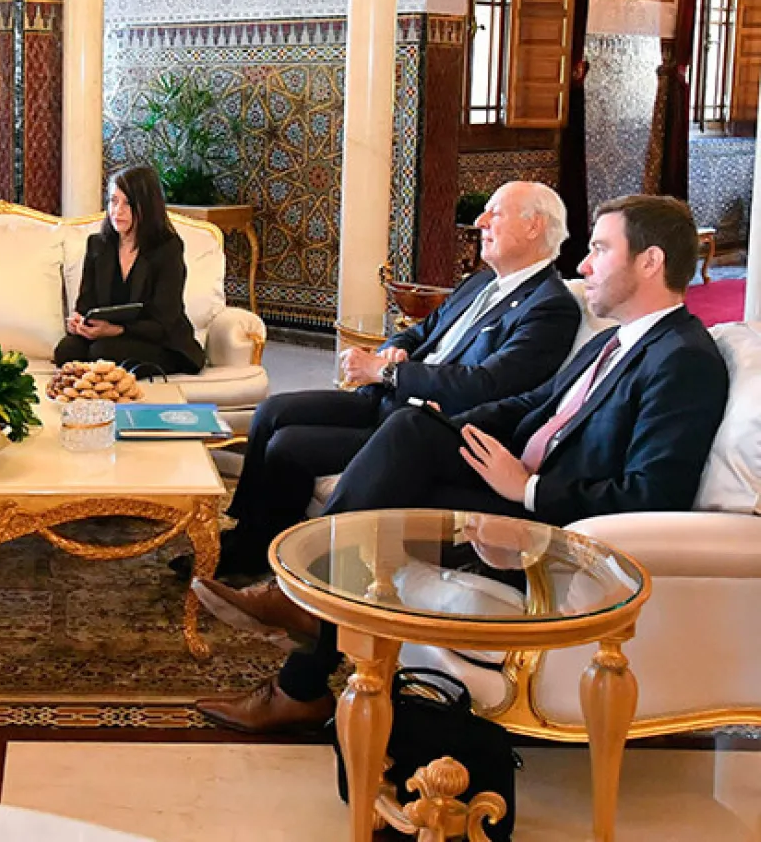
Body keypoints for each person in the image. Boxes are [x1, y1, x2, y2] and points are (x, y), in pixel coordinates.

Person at [192, 195, 729, 734]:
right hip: (515, 475)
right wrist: (451, 427)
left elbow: (652, 494)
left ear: (651, 261)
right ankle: (309, 633)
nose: (584, 265)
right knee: (409, 433)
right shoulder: (617, 339)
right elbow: (531, 405)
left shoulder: (682, 359)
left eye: (600, 249)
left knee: (393, 462)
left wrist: (529, 490)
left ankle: (303, 657)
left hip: (552, 523)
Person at [182, 181, 580, 582]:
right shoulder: (480, 283)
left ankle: (277, 562)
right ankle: (245, 539)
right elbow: (421, 332)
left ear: (534, 227)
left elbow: (487, 384)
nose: (480, 222)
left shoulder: (550, 306)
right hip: (389, 397)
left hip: (427, 422)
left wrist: (387, 371)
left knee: (288, 446)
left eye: (495, 213)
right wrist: (392, 351)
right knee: (272, 410)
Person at [55, 165, 205, 376]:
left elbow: (164, 320)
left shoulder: (168, 248)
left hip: (158, 339)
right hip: (107, 335)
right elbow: (86, 303)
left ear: (147, 206)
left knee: (103, 351)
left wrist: (115, 330)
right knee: (66, 350)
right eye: (113, 201)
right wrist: (80, 322)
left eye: (128, 203)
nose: (117, 211)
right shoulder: (98, 245)